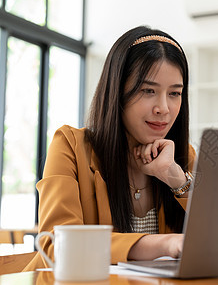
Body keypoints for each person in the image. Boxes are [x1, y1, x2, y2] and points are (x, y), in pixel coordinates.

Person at [24, 26, 196, 270]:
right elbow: (57, 245)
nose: (164, 108)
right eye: (149, 90)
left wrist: (176, 178)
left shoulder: (181, 158)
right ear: (117, 91)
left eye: (175, 93)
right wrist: (163, 243)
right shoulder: (70, 147)